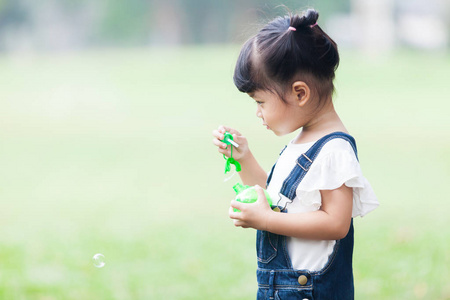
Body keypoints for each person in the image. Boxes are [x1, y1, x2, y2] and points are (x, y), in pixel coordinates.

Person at [212, 8, 379, 300]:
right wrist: (243, 158)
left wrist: (266, 221)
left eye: (261, 101)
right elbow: (277, 200)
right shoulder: (302, 142)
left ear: (300, 93)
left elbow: (335, 223)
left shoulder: (334, 150)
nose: (258, 112)